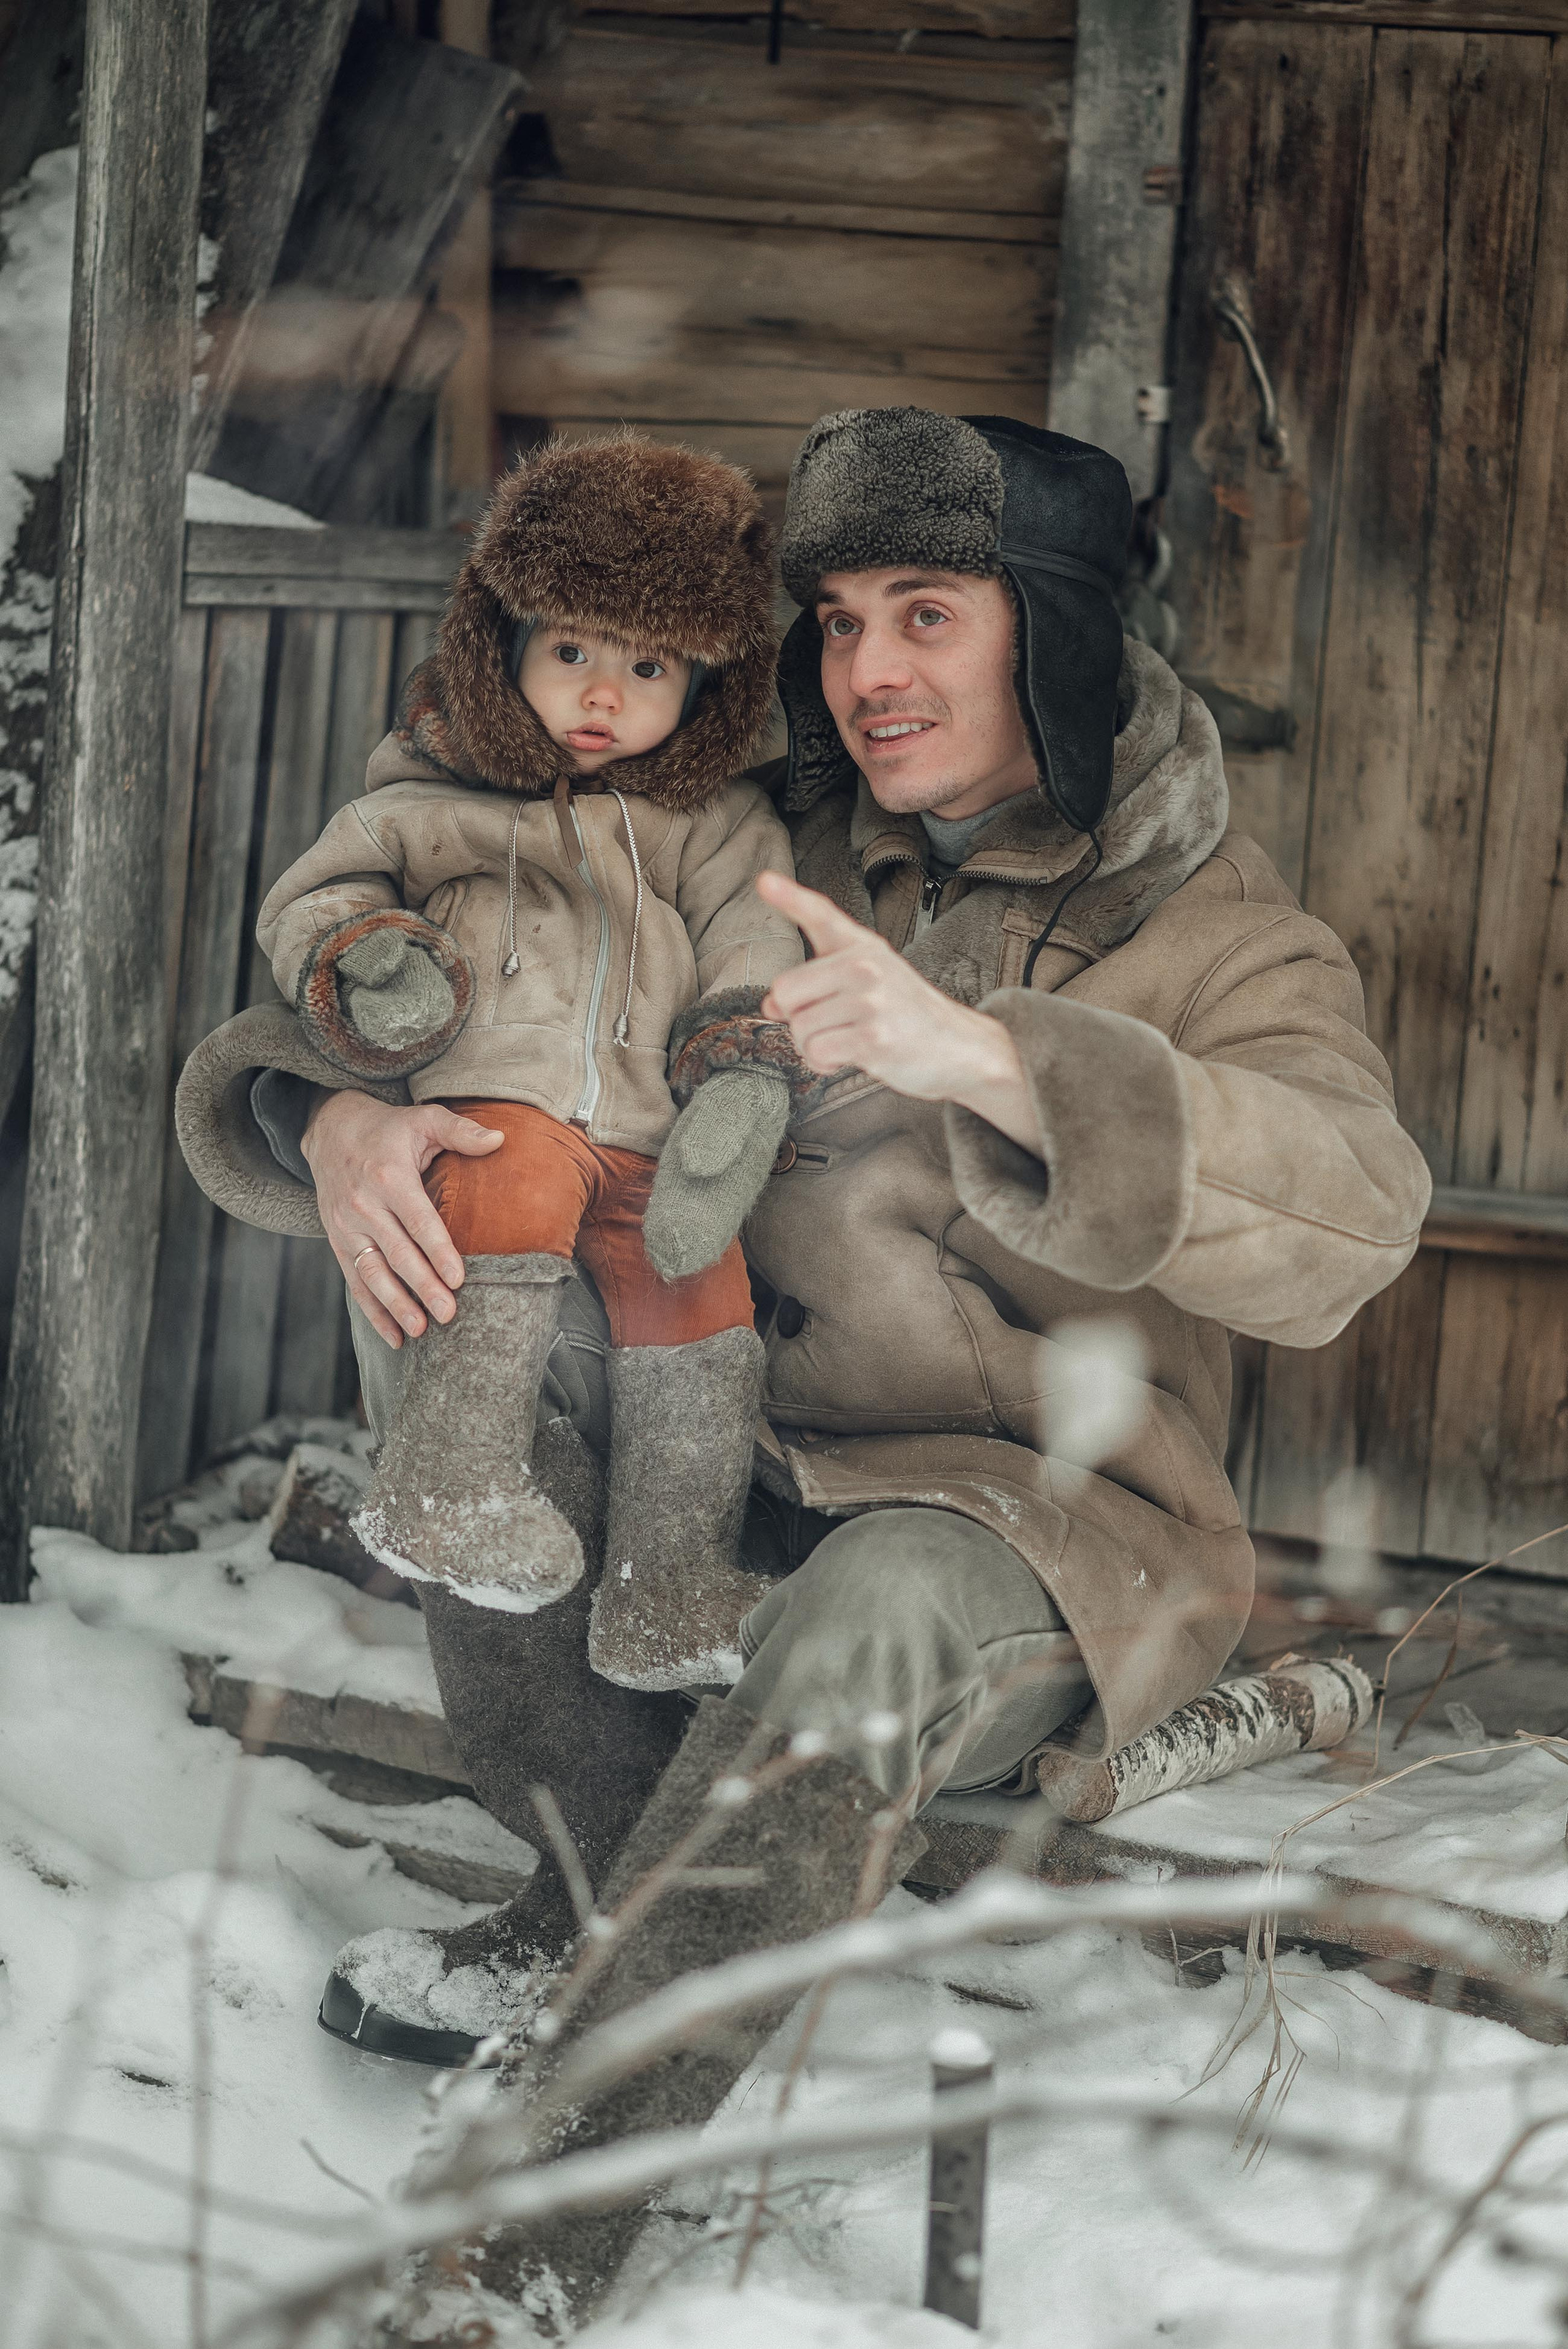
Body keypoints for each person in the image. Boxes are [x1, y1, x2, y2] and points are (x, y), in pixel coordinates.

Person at [176, 409, 1431, 2324]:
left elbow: (1358, 1219)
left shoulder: (1211, 927)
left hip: (1023, 1517)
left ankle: (531, 2222)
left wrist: (1002, 1061)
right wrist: (332, 1112)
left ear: (1061, 630)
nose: (866, 674)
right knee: (445, 1249)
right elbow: (462, 925)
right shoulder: (750, 823)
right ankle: (583, 1881)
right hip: (728, 1452)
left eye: (928, 614)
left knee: (874, 1606)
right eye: (838, 620)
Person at [246, 431, 807, 1691]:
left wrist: (738, 1069)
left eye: (647, 665)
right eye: (570, 653)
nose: (602, 696)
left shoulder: (713, 823)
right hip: (492, 1111)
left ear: (709, 682)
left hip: (652, 1137)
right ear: (504, 644)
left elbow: (753, 938)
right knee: (508, 1194)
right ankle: (451, 1481)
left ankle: (667, 1585)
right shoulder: (431, 787)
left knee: (697, 1290)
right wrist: (368, 957)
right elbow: (320, 891)